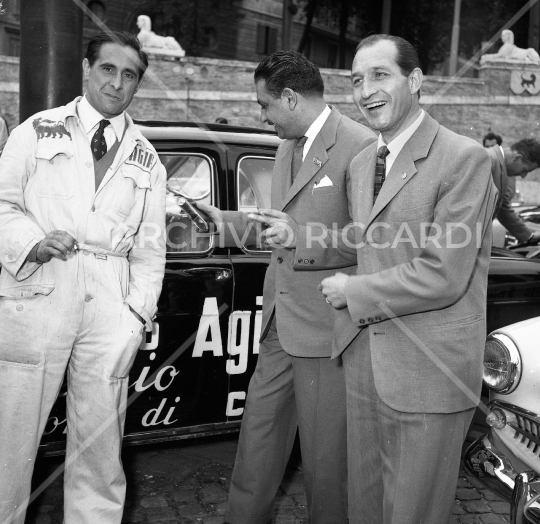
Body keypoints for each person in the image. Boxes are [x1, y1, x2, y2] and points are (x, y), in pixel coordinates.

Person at [316, 34, 497, 524]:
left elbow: (444, 273)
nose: (365, 89)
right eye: (356, 79)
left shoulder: (464, 159)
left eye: (380, 75)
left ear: (415, 81)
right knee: (366, 509)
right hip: (364, 363)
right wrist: (293, 236)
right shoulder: (361, 163)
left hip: (427, 372)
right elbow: (367, 243)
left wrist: (353, 292)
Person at [198, 50, 376, 524]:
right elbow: (279, 225)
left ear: (291, 97)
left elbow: (373, 240)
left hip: (327, 329)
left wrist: (300, 237)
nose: (262, 115)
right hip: (278, 322)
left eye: (264, 105)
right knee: (257, 438)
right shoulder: (285, 145)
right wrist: (227, 223)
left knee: (325, 463)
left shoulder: (361, 146)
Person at [0, 31, 166, 524]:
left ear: (138, 85)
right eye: (108, 70)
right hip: (39, 292)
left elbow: (151, 249)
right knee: (11, 437)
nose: (117, 84)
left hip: (109, 308)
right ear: (86, 70)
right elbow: (3, 204)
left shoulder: (147, 158)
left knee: (99, 446)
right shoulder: (35, 130)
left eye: (129, 75)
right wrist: (31, 241)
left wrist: (135, 316)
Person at [489, 138, 540, 242]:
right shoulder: (486, 160)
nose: (523, 176)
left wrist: (529, 237)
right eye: (525, 170)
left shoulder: (498, 167)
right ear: (517, 158)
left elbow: (502, 207)